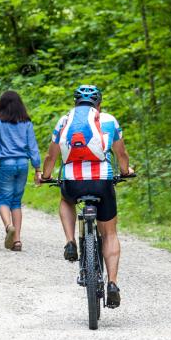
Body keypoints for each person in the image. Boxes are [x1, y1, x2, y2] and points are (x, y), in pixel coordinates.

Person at [40, 85, 133, 308]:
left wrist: (45, 176)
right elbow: (121, 154)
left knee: (65, 200)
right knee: (109, 233)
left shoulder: (64, 121)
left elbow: (51, 156)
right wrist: (125, 171)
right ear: (98, 103)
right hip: (102, 182)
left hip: (73, 182)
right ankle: (112, 283)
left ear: (75, 103)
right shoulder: (109, 120)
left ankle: (70, 241)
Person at [0, 90, 41, 251]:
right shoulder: (27, 123)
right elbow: (33, 148)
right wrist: (37, 168)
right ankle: (17, 240)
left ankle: (8, 226)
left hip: (7, 164)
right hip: (23, 164)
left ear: (1, 106)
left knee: (3, 200)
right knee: (16, 202)